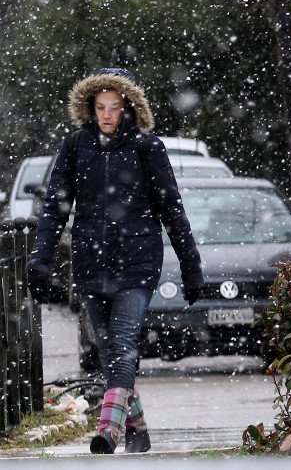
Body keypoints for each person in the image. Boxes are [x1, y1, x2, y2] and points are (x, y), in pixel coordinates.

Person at [26, 68, 203, 453]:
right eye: (100, 107)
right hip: (91, 262)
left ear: (128, 108)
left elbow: (172, 210)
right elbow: (55, 209)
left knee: (122, 345)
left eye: (115, 107)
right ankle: (137, 428)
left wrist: (192, 268)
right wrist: (40, 259)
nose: (107, 115)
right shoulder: (76, 146)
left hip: (137, 263)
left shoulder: (147, 147)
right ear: (90, 107)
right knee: (109, 353)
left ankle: (108, 430)